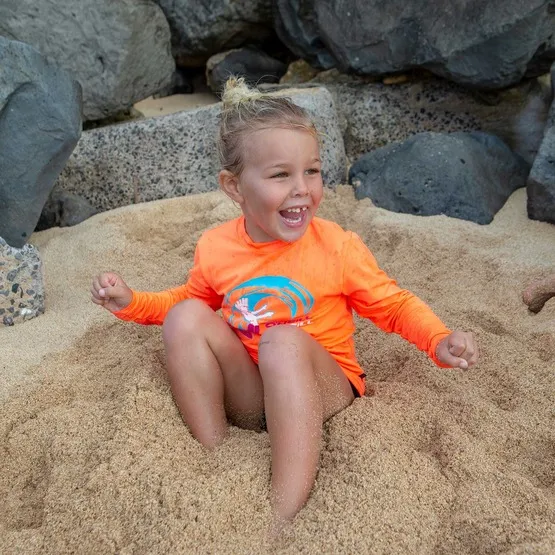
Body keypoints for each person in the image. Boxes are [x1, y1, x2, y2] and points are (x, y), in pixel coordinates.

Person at [91, 77, 479, 531]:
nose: (302, 188)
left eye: (311, 171)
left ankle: (283, 512)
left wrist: (437, 339)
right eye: (281, 175)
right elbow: (187, 301)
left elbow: (393, 305)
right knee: (185, 317)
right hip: (255, 392)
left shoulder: (337, 247)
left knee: (281, 341)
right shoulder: (216, 247)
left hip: (324, 389)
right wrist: (132, 301)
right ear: (234, 186)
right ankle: (214, 452)